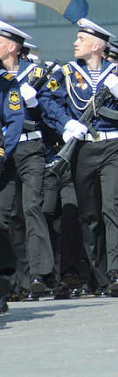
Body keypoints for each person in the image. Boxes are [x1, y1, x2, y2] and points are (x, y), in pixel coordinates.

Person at [39, 18, 118, 294]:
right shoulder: (66, 72)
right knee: (89, 215)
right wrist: (66, 123)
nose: (75, 43)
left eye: (81, 39)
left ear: (96, 46)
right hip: (82, 149)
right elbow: (47, 100)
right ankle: (98, 274)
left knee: (112, 206)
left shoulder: (116, 73)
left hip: (112, 146)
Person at [0, 22, 55, 297]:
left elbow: (54, 113)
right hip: (4, 152)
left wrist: (35, 104)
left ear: (12, 46)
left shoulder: (37, 73)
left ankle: (38, 275)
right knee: (7, 214)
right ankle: (17, 277)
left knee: (32, 208)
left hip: (30, 148)